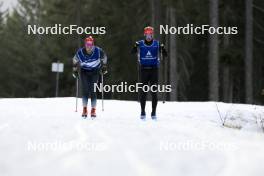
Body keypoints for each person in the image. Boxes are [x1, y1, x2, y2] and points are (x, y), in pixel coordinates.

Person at [132, 26, 167, 120]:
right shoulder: (141, 43)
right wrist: (135, 47)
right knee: (143, 92)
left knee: (154, 92)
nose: (148, 36)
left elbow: (165, 54)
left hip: (154, 70)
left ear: (152, 35)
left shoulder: (157, 43)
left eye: (150, 34)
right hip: (143, 69)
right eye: (147, 34)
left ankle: (153, 112)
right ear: (144, 34)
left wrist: (163, 49)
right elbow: (132, 51)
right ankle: (143, 111)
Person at [72, 36, 107, 118]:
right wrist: (75, 70)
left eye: (90, 44)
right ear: (85, 44)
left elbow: (104, 57)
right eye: (87, 44)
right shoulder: (80, 52)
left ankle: (93, 110)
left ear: (93, 44)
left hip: (95, 71)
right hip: (84, 71)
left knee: (93, 90)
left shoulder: (98, 51)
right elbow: (74, 60)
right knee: (85, 90)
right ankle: (84, 109)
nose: (89, 46)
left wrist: (104, 67)